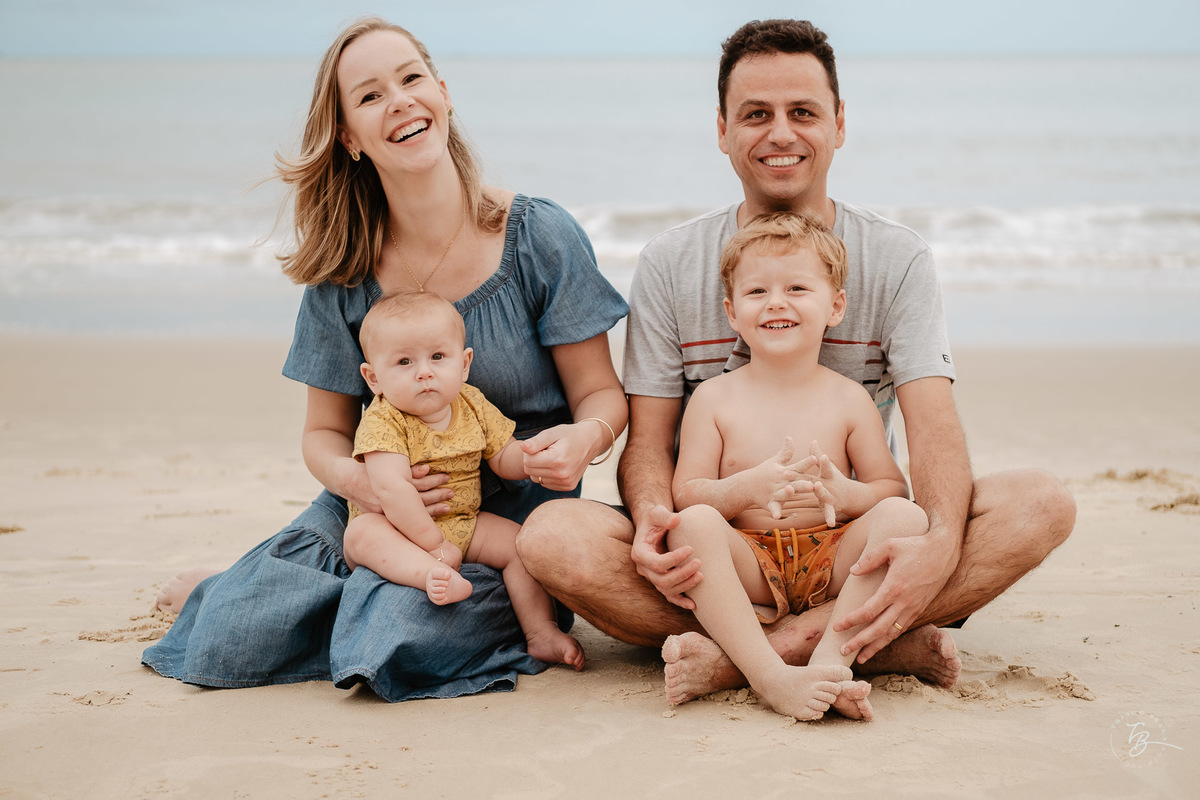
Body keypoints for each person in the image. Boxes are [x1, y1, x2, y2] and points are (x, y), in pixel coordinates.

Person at [516, 18, 1076, 704]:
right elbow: (650, 440)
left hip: (849, 555)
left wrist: (935, 549)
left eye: (802, 112)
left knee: (1041, 504)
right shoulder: (671, 263)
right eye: (756, 114)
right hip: (728, 556)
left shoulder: (896, 258)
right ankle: (877, 646)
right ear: (722, 130)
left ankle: (754, 660)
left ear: (839, 124)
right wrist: (657, 522)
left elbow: (932, 428)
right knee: (551, 536)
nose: (780, 133)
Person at [142, 17, 627, 701]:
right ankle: (249, 594)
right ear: (349, 137)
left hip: (508, 527)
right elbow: (323, 435)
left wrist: (587, 438)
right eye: (369, 96)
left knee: (397, 640)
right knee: (230, 637)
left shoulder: (538, 236)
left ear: (443, 93)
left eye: (410, 79)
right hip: (378, 509)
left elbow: (602, 395)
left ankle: (307, 598)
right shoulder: (343, 271)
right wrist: (365, 487)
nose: (398, 100)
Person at [668, 210, 931, 721]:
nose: (776, 302)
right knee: (694, 524)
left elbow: (890, 486)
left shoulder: (850, 399)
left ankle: (831, 666)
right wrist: (745, 488)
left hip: (832, 561)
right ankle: (769, 674)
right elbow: (688, 492)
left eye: (796, 288)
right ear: (731, 311)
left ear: (835, 307)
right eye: (756, 292)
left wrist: (848, 495)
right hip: (749, 561)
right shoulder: (714, 398)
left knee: (906, 518)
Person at [345, 291, 585, 669]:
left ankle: (541, 632)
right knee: (361, 536)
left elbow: (503, 456)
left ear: (465, 364)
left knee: (521, 547)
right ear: (374, 378)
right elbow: (391, 489)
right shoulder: (384, 419)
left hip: (464, 522)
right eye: (404, 361)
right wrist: (434, 545)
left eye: (438, 357)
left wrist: (533, 457)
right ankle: (428, 574)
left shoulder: (471, 403)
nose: (424, 371)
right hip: (399, 531)